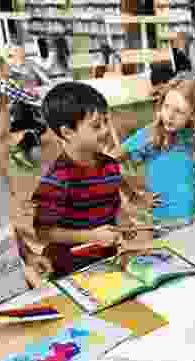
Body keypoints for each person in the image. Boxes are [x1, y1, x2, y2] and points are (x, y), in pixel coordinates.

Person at [32, 82, 151, 277]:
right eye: (96, 125)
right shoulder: (57, 179)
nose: (105, 130)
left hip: (107, 262)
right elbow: (42, 232)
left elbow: (112, 204)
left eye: (106, 121)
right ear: (67, 132)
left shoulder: (110, 165)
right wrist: (91, 236)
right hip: (69, 269)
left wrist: (123, 222)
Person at [108, 78, 195, 238]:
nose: (170, 116)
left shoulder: (194, 135)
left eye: (179, 111)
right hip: (160, 223)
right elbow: (107, 163)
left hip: (193, 218)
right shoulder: (149, 134)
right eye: (166, 107)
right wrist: (133, 195)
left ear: (193, 115)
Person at [0, 89, 53, 308]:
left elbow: (4, 226)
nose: (12, 143)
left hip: (17, 299)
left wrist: (28, 254)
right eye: (2, 137)